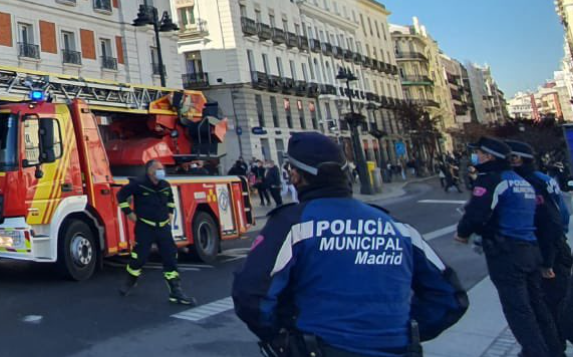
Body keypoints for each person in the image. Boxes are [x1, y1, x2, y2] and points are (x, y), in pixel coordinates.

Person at [233, 132, 467, 356]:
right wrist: (404, 330)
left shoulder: (293, 224)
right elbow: (450, 297)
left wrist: (283, 337)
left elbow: (251, 294)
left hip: (323, 347)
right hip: (396, 349)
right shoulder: (397, 227)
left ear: (295, 175)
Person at [457, 138, 561, 357]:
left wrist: (463, 233)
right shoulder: (521, 181)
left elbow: (477, 213)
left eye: (479, 153)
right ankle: (553, 350)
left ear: (490, 156)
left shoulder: (493, 180)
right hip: (531, 250)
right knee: (537, 306)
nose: (476, 156)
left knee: (519, 311)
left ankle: (536, 353)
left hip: (507, 252)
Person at [509, 140, 573, 347]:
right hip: (556, 247)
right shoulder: (543, 178)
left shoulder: (528, 183)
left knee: (551, 305)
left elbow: (553, 221)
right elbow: (562, 215)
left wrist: (547, 259)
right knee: (558, 303)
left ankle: (556, 346)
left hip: (546, 250)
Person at [116, 159, 194, 305]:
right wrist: (129, 213)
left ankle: (175, 291)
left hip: (163, 227)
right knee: (139, 258)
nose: (162, 171)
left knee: (170, 258)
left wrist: (170, 213)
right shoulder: (138, 184)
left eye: (162, 168)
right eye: (159, 168)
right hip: (145, 227)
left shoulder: (165, 185)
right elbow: (121, 196)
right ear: (150, 171)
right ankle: (130, 281)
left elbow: (171, 200)